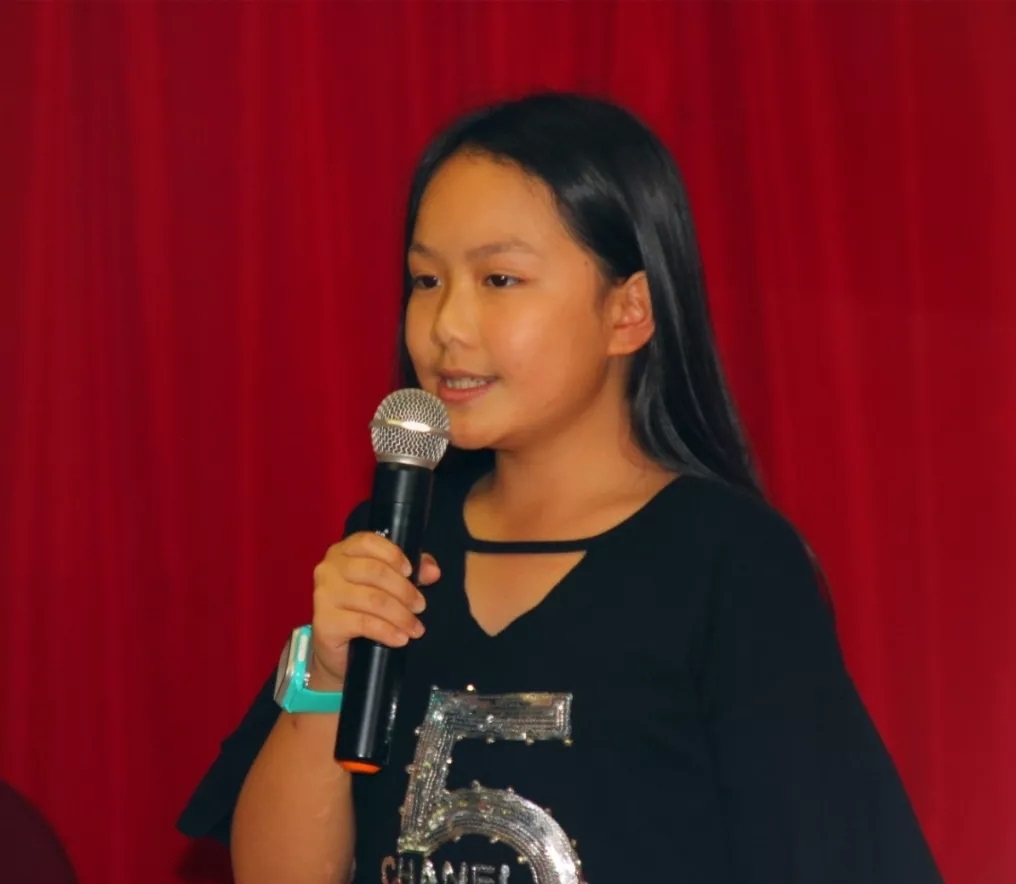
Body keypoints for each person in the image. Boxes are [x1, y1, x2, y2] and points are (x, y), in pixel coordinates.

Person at [177, 92, 942, 884]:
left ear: (628, 310)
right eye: (426, 279)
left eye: (500, 279)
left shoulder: (727, 563)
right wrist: (328, 678)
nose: (447, 326)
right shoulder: (395, 540)